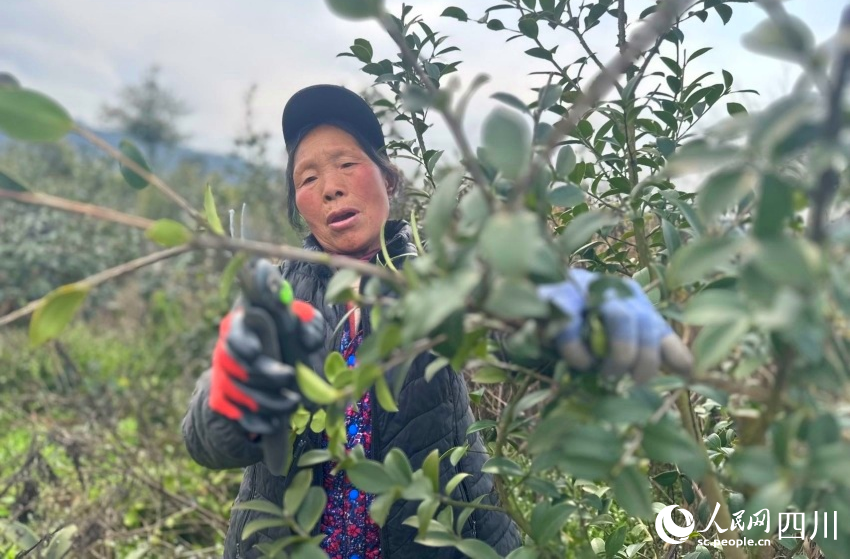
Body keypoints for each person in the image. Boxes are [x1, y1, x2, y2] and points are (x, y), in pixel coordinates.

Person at [181, 85, 693, 559]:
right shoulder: (275, 297)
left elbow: (510, 338)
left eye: (346, 163)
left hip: (438, 536)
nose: (330, 187)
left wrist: (551, 309)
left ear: (385, 177)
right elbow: (207, 442)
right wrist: (231, 396)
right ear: (299, 204)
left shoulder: (439, 275)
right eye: (308, 178)